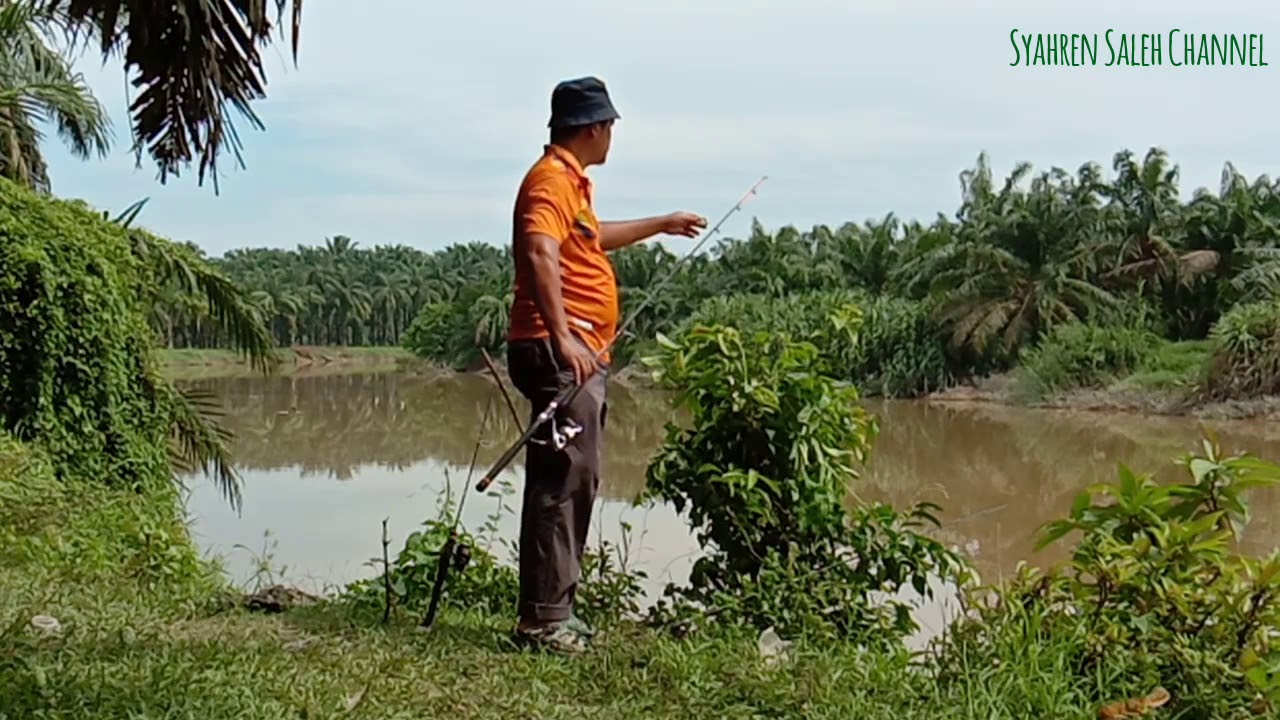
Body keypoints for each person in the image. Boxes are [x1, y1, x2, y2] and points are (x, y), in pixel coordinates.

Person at [504, 76, 707, 654]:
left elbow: (590, 242)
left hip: (577, 354)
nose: (614, 135)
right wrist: (565, 336)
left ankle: (551, 611)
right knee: (564, 478)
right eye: (611, 126)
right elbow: (540, 250)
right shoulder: (548, 182)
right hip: (558, 352)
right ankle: (543, 622)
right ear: (595, 127)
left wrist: (661, 224)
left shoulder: (573, 186)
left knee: (573, 475)